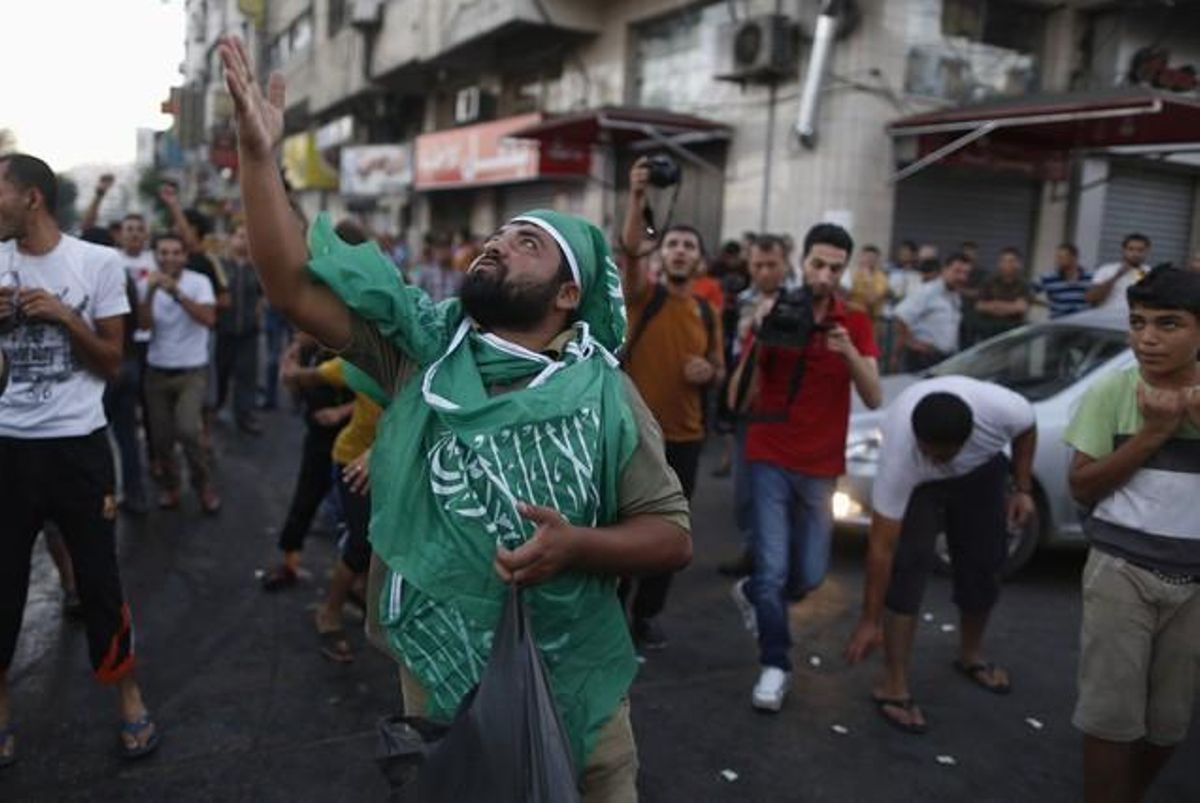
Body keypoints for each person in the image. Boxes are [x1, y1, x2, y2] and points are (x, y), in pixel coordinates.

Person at [222, 34, 692, 799]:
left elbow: (671, 537)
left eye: (527, 242)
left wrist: (578, 546)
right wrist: (256, 158)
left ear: (568, 294)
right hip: (441, 678)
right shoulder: (421, 351)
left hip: (578, 682)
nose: (497, 244)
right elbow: (289, 285)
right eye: (499, 234)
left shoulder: (605, 392)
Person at [0, 153, 158, 766]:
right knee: (3, 583)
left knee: (98, 579)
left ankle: (128, 696)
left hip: (78, 446)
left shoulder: (97, 262)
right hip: (9, 448)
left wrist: (66, 317)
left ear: (31, 198)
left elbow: (114, 363)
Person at [728, 224, 882, 711]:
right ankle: (776, 664)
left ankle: (752, 593)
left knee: (810, 575)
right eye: (818, 264)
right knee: (774, 568)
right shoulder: (781, 310)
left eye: (835, 267)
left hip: (820, 463)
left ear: (845, 269)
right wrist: (757, 332)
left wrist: (850, 353)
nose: (825, 274)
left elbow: (875, 395)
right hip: (770, 452)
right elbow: (738, 398)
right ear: (804, 262)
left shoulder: (854, 321)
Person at [1063, 266, 1200, 803]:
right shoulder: (1112, 391)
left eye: (1169, 324)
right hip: (1120, 569)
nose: (1147, 338)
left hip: (1194, 583)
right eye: (1138, 322)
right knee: (1109, 716)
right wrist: (1154, 434)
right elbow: (1081, 486)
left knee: (1169, 720)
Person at [843, 376, 1036, 733]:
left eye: (941, 455)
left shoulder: (1002, 411)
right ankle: (893, 685)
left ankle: (971, 655)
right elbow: (881, 548)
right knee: (908, 567)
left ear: (968, 440)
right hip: (921, 489)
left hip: (979, 474)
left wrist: (1023, 488)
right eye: (927, 451)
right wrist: (869, 620)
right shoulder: (902, 454)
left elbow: (1027, 427)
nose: (933, 459)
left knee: (984, 562)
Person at [620, 156, 726, 650]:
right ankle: (612, 611)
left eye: (690, 246)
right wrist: (639, 196)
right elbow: (632, 249)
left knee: (669, 535)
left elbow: (719, 369)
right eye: (675, 244)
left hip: (685, 438)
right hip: (635, 436)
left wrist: (709, 372)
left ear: (699, 261)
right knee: (622, 529)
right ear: (665, 256)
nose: (681, 251)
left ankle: (646, 614)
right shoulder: (644, 295)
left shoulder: (707, 309)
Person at [260, 332, 353, 590]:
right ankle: (290, 561)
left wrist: (341, 412)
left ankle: (354, 580)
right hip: (318, 431)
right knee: (306, 495)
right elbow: (292, 384)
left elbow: (376, 396)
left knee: (351, 511)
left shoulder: (355, 345)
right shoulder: (307, 347)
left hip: (352, 436)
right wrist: (292, 358)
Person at [139, 232, 221, 513]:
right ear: (155, 255)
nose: (169, 257)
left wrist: (176, 293)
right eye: (163, 252)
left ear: (185, 256)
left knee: (187, 431)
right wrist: (150, 292)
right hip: (157, 371)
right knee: (160, 439)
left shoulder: (199, 282)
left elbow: (209, 319)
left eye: (175, 252)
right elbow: (144, 326)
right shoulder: (145, 282)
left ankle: (203, 485)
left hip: (191, 371)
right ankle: (172, 486)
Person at [214, 223, 263, 434]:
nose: (244, 240)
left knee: (246, 375)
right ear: (231, 239)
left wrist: (259, 312)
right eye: (240, 236)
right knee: (221, 373)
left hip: (248, 331)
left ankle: (245, 416)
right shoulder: (221, 265)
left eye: (248, 237)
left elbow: (263, 295)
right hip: (223, 330)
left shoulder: (257, 267)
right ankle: (215, 408)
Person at [892, 253, 971, 373]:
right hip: (923, 359)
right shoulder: (927, 291)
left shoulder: (955, 296)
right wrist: (912, 343)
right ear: (945, 269)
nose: (962, 277)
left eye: (966, 273)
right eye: (957, 271)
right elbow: (901, 316)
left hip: (946, 359)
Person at [972, 247, 1033, 341]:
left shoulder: (1023, 284)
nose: (1007, 264)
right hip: (989, 332)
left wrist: (995, 304)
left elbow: (1021, 308)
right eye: (1003, 261)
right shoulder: (989, 281)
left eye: (1011, 261)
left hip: (1013, 332)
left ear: (1018, 264)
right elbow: (979, 306)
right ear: (999, 263)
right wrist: (1011, 306)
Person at [1087, 233, 1151, 312]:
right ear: (1123, 250)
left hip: (1136, 320)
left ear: (1147, 251)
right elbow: (1091, 298)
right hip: (1107, 319)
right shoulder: (1106, 270)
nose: (1135, 254)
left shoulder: (1151, 273)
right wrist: (1117, 275)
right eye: (1131, 249)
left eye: (1140, 250)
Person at [1034, 243, 1093, 319]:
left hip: (1082, 324)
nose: (1057, 261)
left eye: (1061, 257)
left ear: (1074, 258)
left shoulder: (1090, 277)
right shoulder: (1048, 278)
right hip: (1059, 324)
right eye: (1057, 257)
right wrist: (1046, 304)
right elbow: (1027, 293)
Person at [415, 231, 463, 303]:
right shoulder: (425, 273)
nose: (442, 252)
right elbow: (417, 296)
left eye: (446, 248)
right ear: (433, 250)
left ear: (451, 250)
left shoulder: (458, 276)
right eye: (439, 248)